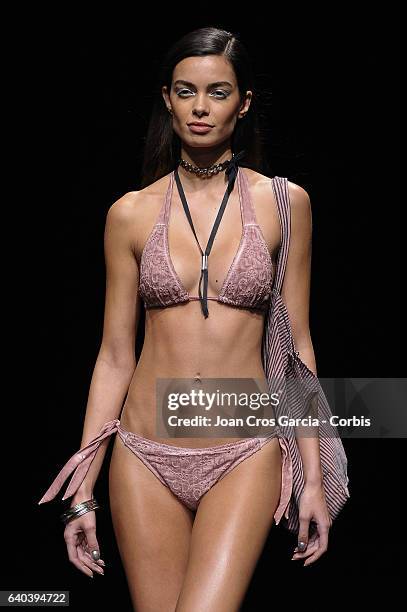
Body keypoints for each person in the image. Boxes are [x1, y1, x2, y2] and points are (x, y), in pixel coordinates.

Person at [38, 26, 350, 611]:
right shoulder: (129, 214)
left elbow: (298, 349)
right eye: (186, 91)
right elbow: (113, 355)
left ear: (245, 101)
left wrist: (313, 476)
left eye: (218, 92)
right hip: (142, 455)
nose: (201, 108)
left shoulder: (283, 203)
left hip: (245, 449)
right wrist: (81, 492)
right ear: (166, 98)